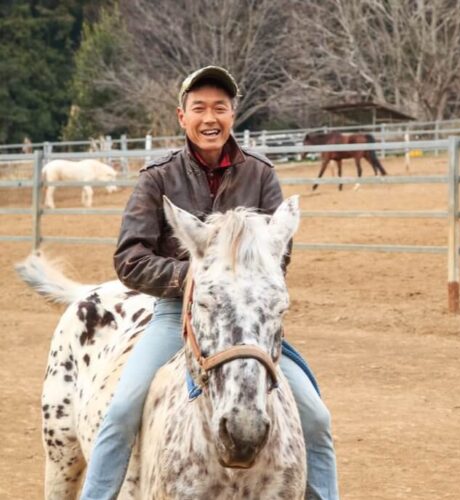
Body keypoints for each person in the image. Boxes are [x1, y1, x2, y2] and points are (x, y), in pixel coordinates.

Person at [80, 66, 339, 500]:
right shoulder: (157, 177)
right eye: (199, 108)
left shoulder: (261, 174)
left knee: (315, 418)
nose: (210, 117)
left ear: (233, 115)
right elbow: (129, 259)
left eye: (220, 107)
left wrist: (242, 282)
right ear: (182, 117)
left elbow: (280, 251)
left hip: (250, 322)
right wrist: (194, 278)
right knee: (122, 409)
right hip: (174, 312)